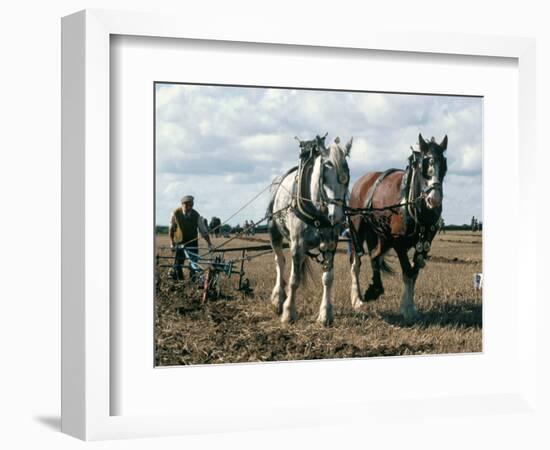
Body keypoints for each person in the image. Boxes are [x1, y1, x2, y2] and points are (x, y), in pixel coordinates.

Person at [168, 195, 213, 281]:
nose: (189, 207)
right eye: (187, 205)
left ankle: (193, 283)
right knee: (178, 264)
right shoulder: (175, 213)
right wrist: (171, 243)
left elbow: (203, 231)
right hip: (179, 243)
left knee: (193, 265)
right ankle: (180, 281)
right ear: (182, 204)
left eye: (191, 205)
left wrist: (209, 243)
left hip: (192, 243)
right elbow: (171, 230)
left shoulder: (196, 215)